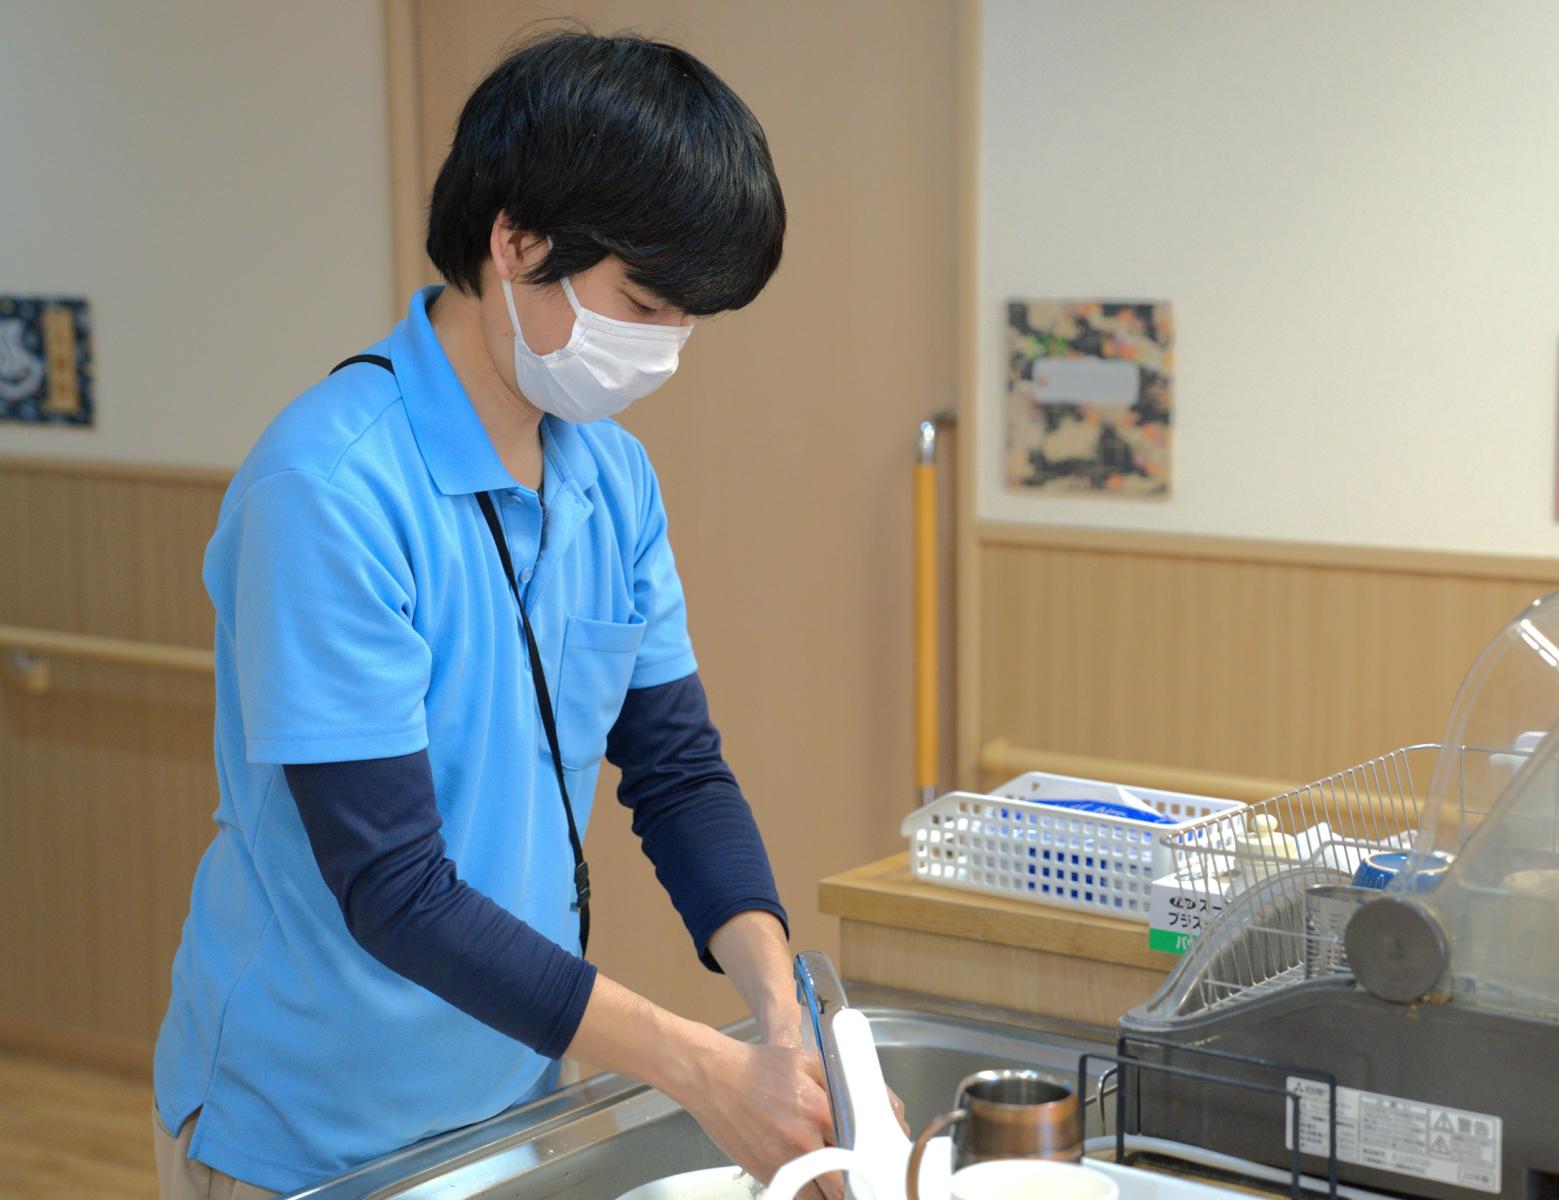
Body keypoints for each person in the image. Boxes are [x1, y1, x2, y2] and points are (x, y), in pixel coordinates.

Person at [152, 29, 887, 1198]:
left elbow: (678, 770)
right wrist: (701, 1068)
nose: (661, 350)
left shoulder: (611, 480)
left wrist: (776, 1009)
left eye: (686, 320)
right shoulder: (331, 490)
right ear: (516, 242)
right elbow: (396, 890)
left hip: (508, 1103)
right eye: (641, 303)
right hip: (310, 1134)